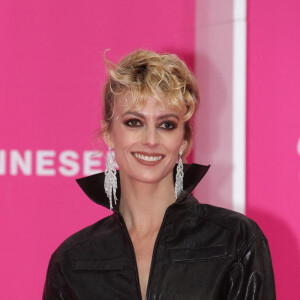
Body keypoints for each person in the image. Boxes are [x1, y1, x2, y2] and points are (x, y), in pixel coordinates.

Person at [43, 50, 276, 300]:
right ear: (109, 134)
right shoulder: (72, 260)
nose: (151, 140)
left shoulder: (236, 240)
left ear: (184, 140)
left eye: (166, 125)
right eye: (134, 122)